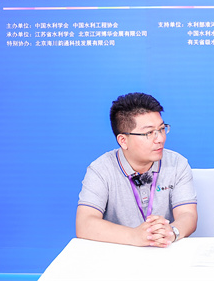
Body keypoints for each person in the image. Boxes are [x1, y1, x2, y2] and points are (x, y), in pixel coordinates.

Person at [76, 93, 197, 247]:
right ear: (123, 140)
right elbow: (84, 223)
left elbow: (188, 214)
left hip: (164, 251)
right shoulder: (100, 170)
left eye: (161, 129)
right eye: (149, 133)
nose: (160, 139)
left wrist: (172, 231)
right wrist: (134, 236)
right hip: (117, 254)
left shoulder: (177, 164)